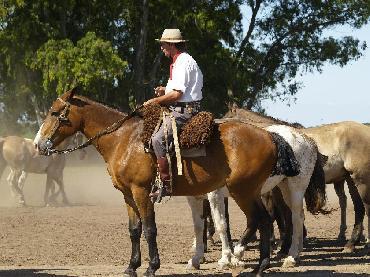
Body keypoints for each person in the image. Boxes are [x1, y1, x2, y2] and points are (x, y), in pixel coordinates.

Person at [144, 28, 203, 202]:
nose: (161, 47)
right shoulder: (179, 61)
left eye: (163, 44)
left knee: (157, 139)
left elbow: (177, 95)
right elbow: (178, 89)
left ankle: (166, 183)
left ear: (171, 44)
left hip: (184, 112)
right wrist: (164, 90)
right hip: (180, 108)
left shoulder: (183, 62)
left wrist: (154, 101)